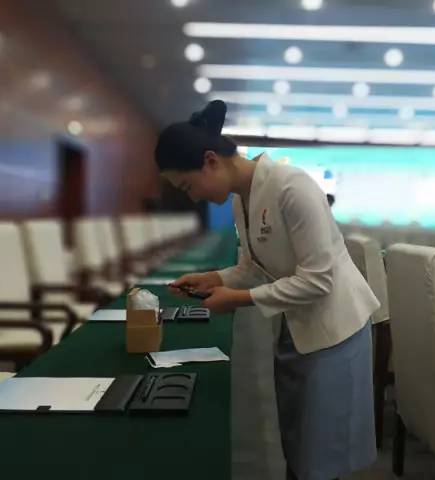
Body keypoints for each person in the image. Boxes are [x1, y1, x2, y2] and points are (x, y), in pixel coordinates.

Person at [155, 100, 380, 480]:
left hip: (335, 328)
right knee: (297, 440)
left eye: (188, 185)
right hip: (298, 323)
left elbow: (318, 279)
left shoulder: (292, 186)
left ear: (211, 160)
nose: (193, 197)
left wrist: (238, 299)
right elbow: (253, 266)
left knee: (322, 452)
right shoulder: (242, 199)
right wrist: (216, 278)